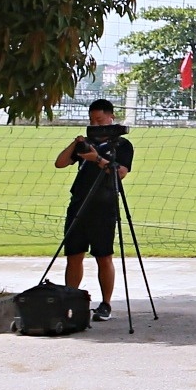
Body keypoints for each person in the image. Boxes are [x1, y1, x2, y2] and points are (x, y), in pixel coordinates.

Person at [54, 99, 131, 320]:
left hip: (104, 204)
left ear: (110, 118)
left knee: (103, 255)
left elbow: (120, 172)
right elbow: (60, 163)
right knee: (74, 254)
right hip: (79, 203)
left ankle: (106, 303)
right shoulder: (87, 143)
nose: (96, 125)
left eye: (99, 120)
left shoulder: (122, 146)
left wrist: (96, 158)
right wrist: (77, 143)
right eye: (91, 121)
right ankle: (71, 299)